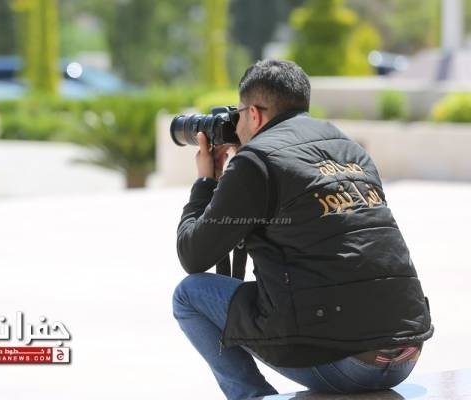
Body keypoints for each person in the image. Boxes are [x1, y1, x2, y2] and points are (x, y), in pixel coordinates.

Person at [172, 60, 433, 400]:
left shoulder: (256, 161)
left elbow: (193, 255)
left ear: (254, 114)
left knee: (189, 294)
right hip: (406, 354)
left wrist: (206, 182)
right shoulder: (351, 150)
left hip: (346, 364)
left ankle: (253, 397)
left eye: (239, 114)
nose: (237, 125)